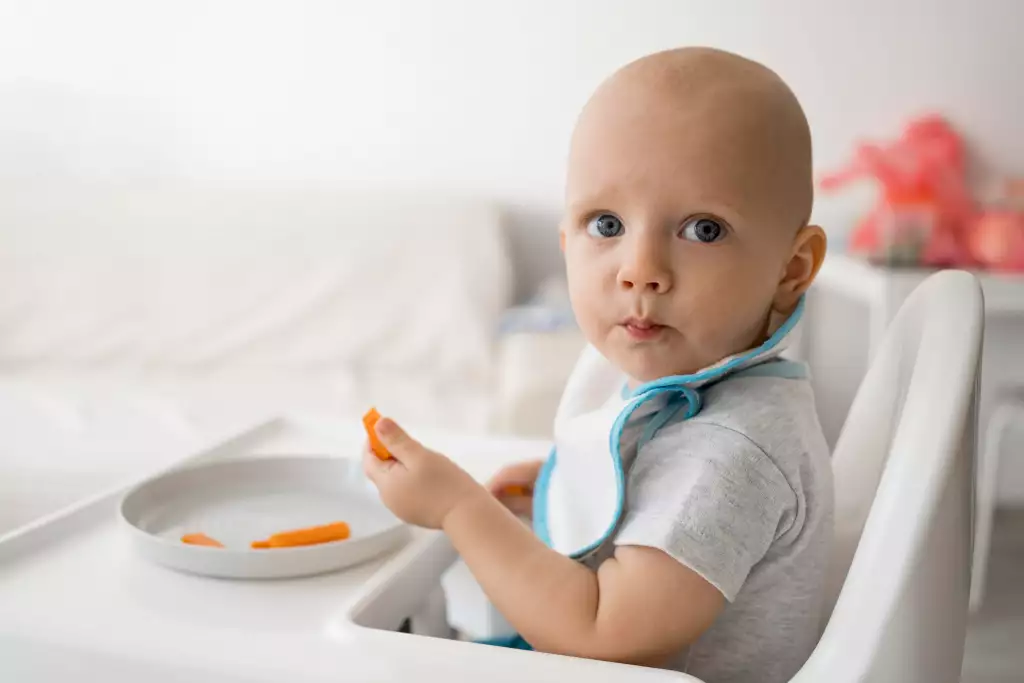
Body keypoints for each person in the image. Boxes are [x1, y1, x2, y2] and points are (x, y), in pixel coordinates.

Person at [363, 46, 832, 683]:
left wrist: (457, 508)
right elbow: (664, 486)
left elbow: (603, 635)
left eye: (703, 230)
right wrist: (577, 481)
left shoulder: (731, 453)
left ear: (791, 269)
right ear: (567, 243)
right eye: (605, 222)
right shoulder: (692, 382)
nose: (640, 269)